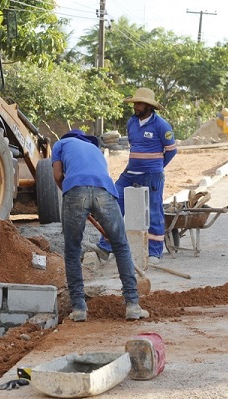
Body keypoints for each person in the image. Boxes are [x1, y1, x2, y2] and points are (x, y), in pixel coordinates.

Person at [52, 129, 149, 321]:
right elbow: (97, 177)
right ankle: (132, 306)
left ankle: (79, 309)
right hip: (104, 191)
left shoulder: (60, 145)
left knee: (72, 251)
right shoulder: (95, 149)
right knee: (120, 245)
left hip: (75, 190)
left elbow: (57, 175)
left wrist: (72, 194)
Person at [91, 88, 177, 265]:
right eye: (135, 103)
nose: (136, 106)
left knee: (154, 211)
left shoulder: (161, 125)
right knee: (113, 202)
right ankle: (106, 246)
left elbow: (171, 150)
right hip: (130, 174)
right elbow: (134, 145)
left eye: (139, 104)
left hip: (152, 175)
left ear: (148, 106)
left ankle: (154, 252)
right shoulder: (131, 123)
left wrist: (156, 167)